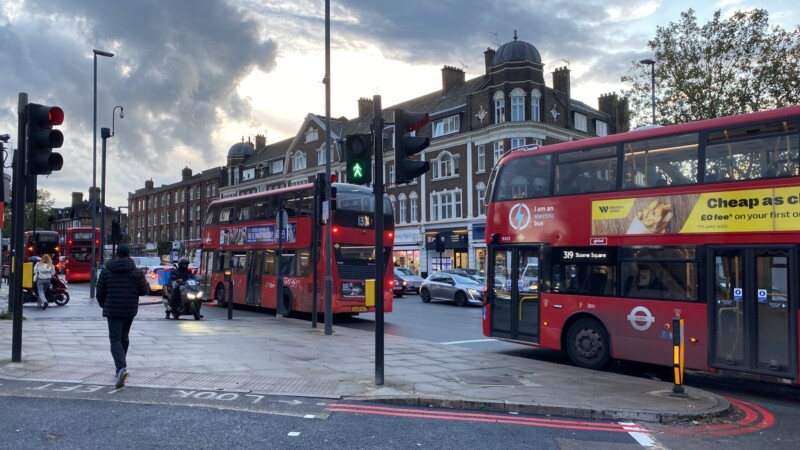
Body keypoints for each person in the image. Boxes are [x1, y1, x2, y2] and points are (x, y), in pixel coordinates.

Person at [96, 245, 148, 389]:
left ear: (117, 254)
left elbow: (99, 292)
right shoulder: (137, 272)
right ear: (129, 254)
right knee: (124, 337)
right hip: (129, 309)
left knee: (115, 339)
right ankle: (121, 367)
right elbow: (144, 291)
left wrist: (104, 305)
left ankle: (120, 368)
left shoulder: (107, 271)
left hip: (113, 310)